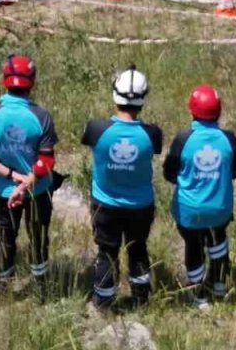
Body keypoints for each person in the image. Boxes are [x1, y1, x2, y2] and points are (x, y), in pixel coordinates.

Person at [0, 55, 59, 289]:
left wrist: (12, 177)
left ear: (5, 80)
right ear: (32, 81)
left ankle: (1, 284)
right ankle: (41, 285)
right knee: (38, 237)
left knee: (6, 236)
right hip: (37, 190)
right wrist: (27, 182)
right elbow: (47, 159)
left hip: (3, 191)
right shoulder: (41, 116)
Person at [81, 66, 164, 309]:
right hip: (140, 205)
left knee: (107, 251)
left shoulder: (95, 129)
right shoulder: (153, 134)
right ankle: (141, 298)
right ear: (143, 98)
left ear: (114, 94)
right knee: (138, 249)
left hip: (105, 205)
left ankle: (103, 300)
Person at [163, 85, 236, 308]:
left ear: (192, 111)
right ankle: (219, 286)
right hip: (220, 209)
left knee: (193, 245)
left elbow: (169, 172)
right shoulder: (229, 138)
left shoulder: (183, 139)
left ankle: (198, 294)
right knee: (217, 239)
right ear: (219, 111)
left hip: (190, 211)